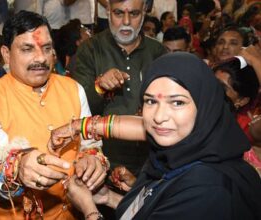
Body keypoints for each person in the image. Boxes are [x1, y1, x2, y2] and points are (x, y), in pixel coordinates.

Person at [51, 52, 261, 219]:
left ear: (205, 107)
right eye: (151, 101)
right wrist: (110, 198)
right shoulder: (174, 154)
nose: (160, 116)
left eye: (177, 102)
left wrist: (89, 210)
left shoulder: (208, 188)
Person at [0, 10, 107, 219]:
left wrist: (93, 162)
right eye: (28, 49)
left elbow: (90, 145)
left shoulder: (73, 89)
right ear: (6, 54)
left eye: (46, 48)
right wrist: (17, 170)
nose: (41, 58)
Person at [72, 0, 166, 176]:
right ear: (107, 11)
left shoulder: (158, 53)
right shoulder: (90, 50)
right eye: (118, 13)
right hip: (100, 163)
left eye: (134, 14)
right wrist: (99, 87)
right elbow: (77, 112)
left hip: (150, 163)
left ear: (145, 12)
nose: (126, 21)